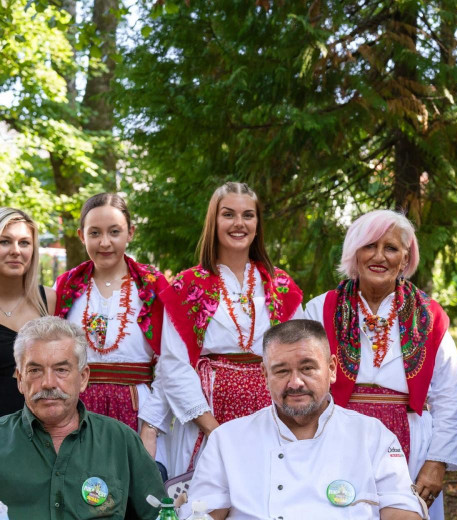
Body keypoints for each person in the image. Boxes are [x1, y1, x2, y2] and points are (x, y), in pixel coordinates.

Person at [183, 319, 427, 520]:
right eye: (281, 371)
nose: (295, 382)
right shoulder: (228, 439)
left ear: (331, 369)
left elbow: (407, 519)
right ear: (265, 375)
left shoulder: (372, 435)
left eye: (308, 368)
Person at [305, 209, 457, 520]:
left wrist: (437, 462)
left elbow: (447, 398)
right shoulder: (321, 308)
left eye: (390, 248)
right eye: (369, 246)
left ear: (405, 257)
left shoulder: (431, 317)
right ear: (353, 254)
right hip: (338, 434)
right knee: (338, 517)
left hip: (409, 438)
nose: (379, 256)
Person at [140, 182, 303, 478]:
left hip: (270, 420)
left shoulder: (280, 287)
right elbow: (174, 364)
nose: (239, 223)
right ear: (213, 222)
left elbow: (300, 355)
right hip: (207, 422)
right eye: (228, 215)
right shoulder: (188, 286)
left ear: (257, 224)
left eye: (248, 215)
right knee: (206, 507)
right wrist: (214, 429)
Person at [0, 316, 166, 520]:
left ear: (83, 377)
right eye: (35, 370)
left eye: (61, 370)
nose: (48, 383)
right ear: (20, 379)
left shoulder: (119, 441)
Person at [54, 193, 168, 461]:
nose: (105, 242)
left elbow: (169, 361)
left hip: (140, 410)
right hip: (79, 411)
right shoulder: (67, 286)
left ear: (130, 233)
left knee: (136, 494)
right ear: (82, 236)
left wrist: (150, 428)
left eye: (114, 232)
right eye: (95, 233)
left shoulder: (152, 286)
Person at [0, 207, 55, 416]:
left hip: (39, 429)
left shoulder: (49, 301)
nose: (16, 250)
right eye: (4, 241)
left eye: (24, 242)